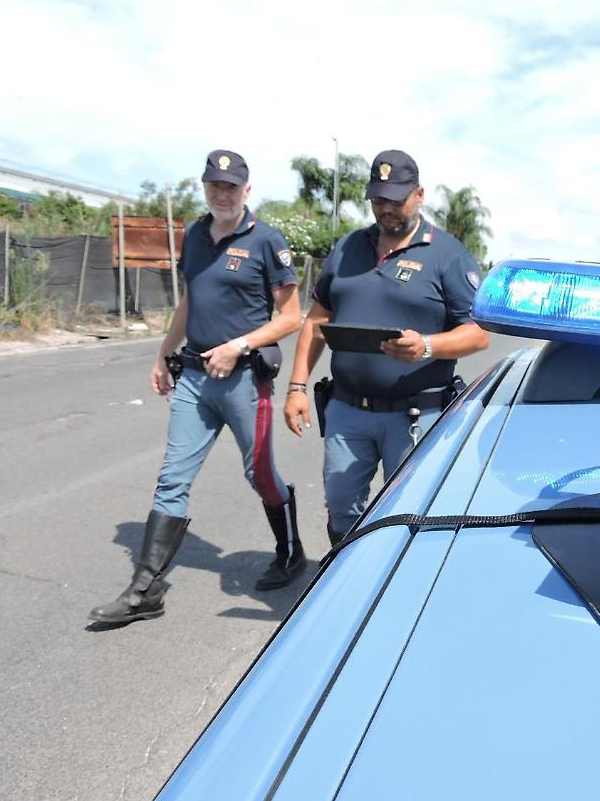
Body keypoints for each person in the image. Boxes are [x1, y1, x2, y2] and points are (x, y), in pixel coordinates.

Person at [90, 150, 307, 625]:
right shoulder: (193, 233)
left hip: (246, 379)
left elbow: (292, 317)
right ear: (205, 187)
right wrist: (163, 353)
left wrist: (238, 345)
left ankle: (290, 553)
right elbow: (190, 299)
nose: (222, 194)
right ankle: (145, 589)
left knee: (261, 476)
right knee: (173, 477)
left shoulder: (268, 241)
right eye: (214, 186)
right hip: (194, 377)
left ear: (247, 191)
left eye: (231, 187)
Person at [283, 149, 490, 544]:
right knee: (341, 507)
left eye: (396, 199)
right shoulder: (347, 248)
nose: (387, 209)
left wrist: (427, 346)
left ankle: (396, 595)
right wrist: (296, 387)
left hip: (414, 415)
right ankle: (344, 587)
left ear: (420, 194)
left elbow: (478, 334)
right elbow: (317, 320)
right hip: (347, 410)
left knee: (408, 514)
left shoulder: (447, 255)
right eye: (379, 200)